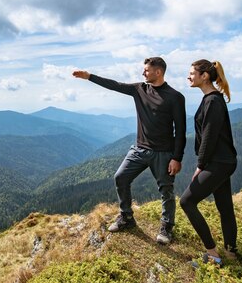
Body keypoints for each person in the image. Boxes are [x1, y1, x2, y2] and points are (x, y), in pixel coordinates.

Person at [73, 57, 186, 244]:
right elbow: (115, 85)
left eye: (147, 70)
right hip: (140, 149)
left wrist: (177, 158)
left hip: (164, 153)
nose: (143, 73)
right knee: (120, 177)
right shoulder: (139, 89)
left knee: (166, 190)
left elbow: (181, 129)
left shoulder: (175, 97)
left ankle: (166, 228)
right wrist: (89, 77)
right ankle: (126, 217)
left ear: (158, 72)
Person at [180, 59, 238, 265]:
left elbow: (209, 136)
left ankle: (213, 255)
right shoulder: (211, 99)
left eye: (192, 73)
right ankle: (231, 252)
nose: (188, 77)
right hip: (223, 161)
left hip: (218, 162)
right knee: (225, 207)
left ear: (204, 75)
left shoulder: (212, 101)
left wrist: (200, 165)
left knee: (186, 201)